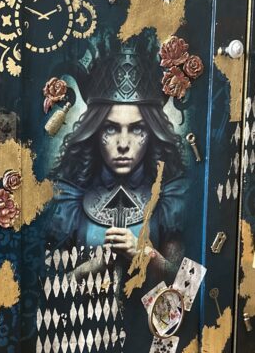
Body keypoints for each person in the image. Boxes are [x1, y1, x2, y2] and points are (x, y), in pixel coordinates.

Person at [48, 45, 186, 277]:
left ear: (152, 133)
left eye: (137, 129)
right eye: (111, 129)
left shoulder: (172, 196)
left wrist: (145, 256)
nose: (123, 143)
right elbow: (46, 290)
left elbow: (189, 289)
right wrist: (96, 265)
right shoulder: (67, 197)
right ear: (94, 131)